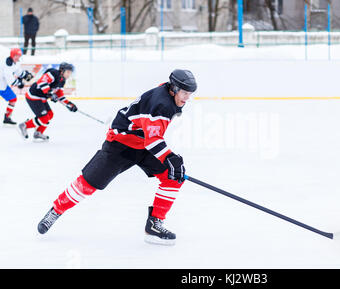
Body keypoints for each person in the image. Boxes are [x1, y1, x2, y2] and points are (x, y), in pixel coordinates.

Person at [36, 69, 197, 246]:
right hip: (121, 145)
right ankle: (56, 210)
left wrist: (171, 162)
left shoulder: (166, 92)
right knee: (87, 184)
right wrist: (171, 158)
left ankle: (154, 225)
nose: (186, 98)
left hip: (142, 143)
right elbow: (154, 141)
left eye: (189, 94)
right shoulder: (161, 105)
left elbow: (151, 137)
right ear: (173, 88)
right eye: (184, 93)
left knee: (172, 177)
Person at [17, 62, 78, 141]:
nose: (69, 74)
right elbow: (42, 82)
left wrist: (69, 104)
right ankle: (24, 125)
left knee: (50, 114)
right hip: (33, 96)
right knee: (44, 118)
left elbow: (59, 94)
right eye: (68, 72)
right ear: (62, 70)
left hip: (42, 97)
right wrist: (50, 94)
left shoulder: (62, 81)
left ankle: (38, 133)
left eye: (70, 72)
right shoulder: (53, 73)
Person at [0, 48, 33, 125]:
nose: (17, 57)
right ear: (12, 55)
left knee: (13, 99)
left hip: (2, 85)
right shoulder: (7, 64)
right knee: (13, 99)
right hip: (1, 85)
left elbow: (18, 71)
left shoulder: (15, 62)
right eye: (16, 55)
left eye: (19, 55)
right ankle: (7, 117)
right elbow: (10, 79)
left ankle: (7, 117)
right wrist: (19, 83)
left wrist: (25, 75)